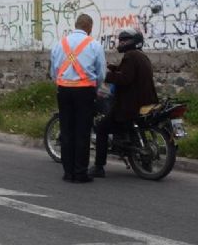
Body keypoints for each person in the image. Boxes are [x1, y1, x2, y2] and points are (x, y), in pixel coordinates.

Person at [89, 28, 158, 178]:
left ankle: (98, 167)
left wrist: (105, 76)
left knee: (101, 128)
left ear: (132, 42)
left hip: (130, 105)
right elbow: (128, 73)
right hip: (144, 102)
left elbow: (125, 79)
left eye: (124, 40)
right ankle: (144, 162)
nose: (121, 43)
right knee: (124, 126)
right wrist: (113, 68)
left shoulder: (130, 56)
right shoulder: (141, 56)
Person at [50, 14, 106, 183]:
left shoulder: (60, 44)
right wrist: (95, 88)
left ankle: (68, 172)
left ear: (76, 25)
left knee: (67, 131)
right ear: (89, 27)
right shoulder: (94, 45)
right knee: (82, 132)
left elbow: (54, 70)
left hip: (64, 91)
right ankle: (80, 172)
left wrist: (61, 83)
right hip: (84, 92)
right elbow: (101, 72)